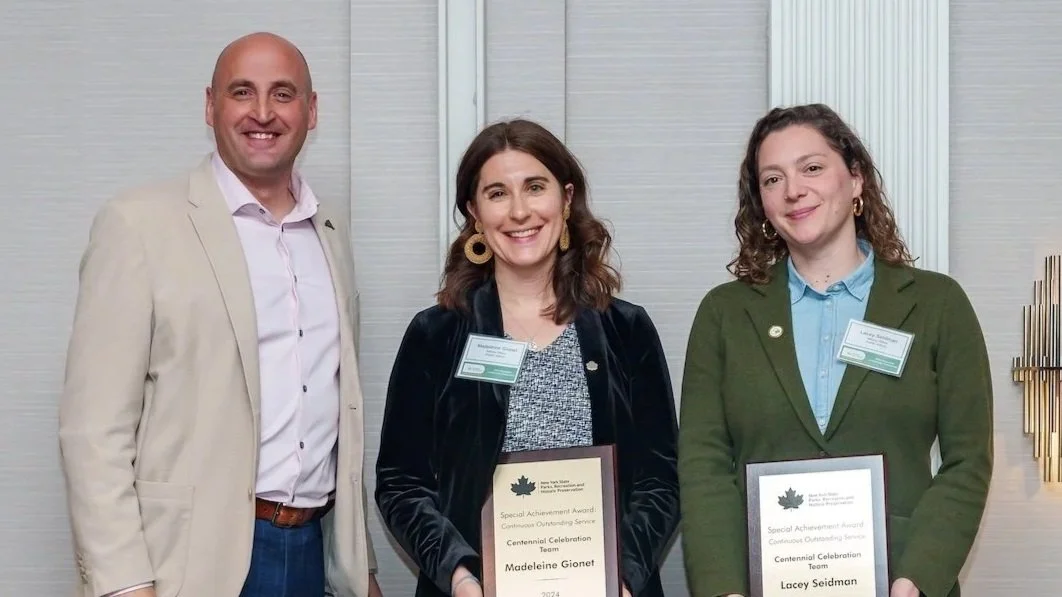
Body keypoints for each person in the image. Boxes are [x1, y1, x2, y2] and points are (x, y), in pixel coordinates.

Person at [58, 32, 380, 597]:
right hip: (186, 564)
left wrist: (358, 567)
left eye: (283, 94)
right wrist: (123, 583)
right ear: (211, 106)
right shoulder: (138, 225)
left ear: (312, 110)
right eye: (242, 92)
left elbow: (336, 414)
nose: (262, 113)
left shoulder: (328, 234)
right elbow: (93, 430)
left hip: (311, 553)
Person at [678, 103, 993, 597]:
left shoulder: (938, 304)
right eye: (772, 179)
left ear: (856, 179)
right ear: (760, 202)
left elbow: (968, 461)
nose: (793, 190)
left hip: (902, 585)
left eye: (811, 168)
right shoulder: (724, 314)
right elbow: (703, 464)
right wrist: (724, 589)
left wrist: (916, 581)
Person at [374, 119, 680, 597]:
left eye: (535, 187)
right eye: (497, 194)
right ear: (475, 213)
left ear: (566, 197)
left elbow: (661, 480)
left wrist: (623, 577)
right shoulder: (435, 336)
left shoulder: (627, 332)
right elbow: (401, 483)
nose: (519, 211)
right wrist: (459, 577)